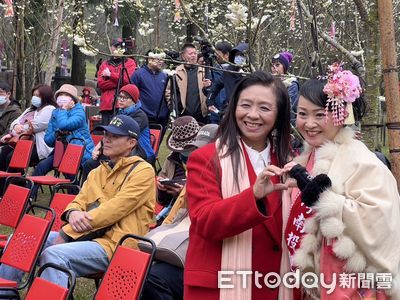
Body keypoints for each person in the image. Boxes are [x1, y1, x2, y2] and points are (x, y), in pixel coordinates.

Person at [0, 115, 156, 292]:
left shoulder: (143, 171)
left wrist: (67, 233)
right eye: (106, 135)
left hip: (117, 244)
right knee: (21, 238)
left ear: (131, 143)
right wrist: (73, 213)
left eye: (115, 136)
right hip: (87, 235)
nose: (106, 140)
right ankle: (5, 295)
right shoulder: (98, 171)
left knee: (54, 255)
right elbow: (78, 202)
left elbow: (113, 210)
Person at [284, 63, 400, 299]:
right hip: (314, 277)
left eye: (320, 115)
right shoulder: (306, 157)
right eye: (302, 114)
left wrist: (328, 201)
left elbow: (380, 219)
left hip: (350, 279)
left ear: (341, 114)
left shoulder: (362, 160)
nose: (309, 123)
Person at [185, 71, 292, 299]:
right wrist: (252, 197)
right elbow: (205, 220)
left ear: (279, 114)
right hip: (222, 287)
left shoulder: (290, 164)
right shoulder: (206, 158)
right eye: (245, 105)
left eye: (264, 108)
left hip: (275, 283)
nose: (253, 115)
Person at [141, 123, 218, 300]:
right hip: (178, 241)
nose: (195, 156)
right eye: (194, 150)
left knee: (152, 277)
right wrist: (162, 189)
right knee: (142, 271)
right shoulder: (179, 164)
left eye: (205, 150)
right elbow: (172, 215)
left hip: (204, 257)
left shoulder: (228, 180)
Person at [30, 84, 94, 199]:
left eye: (66, 95)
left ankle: (74, 198)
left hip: (79, 151)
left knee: (69, 172)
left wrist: (63, 110)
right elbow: (48, 140)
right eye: (60, 95)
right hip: (61, 151)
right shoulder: (55, 113)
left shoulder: (79, 112)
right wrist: (56, 134)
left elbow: (64, 125)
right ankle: (29, 196)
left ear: (72, 99)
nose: (62, 97)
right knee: (41, 166)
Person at [81, 83, 154, 183]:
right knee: (89, 164)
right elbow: (110, 133)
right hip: (119, 150)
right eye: (120, 96)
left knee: (109, 166)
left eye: (125, 97)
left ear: (134, 100)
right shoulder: (119, 113)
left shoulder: (140, 115)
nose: (121, 99)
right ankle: (86, 194)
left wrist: (100, 147)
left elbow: (123, 135)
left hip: (139, 153)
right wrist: (98, 148)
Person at [155, 116, 201, 224]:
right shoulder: (171, 159)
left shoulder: (207, 161)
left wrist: (185, 193)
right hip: (171, 213)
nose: (184, 152)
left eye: (189, 149)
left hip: (192, 217)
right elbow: (162, 201)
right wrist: (161, 188)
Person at [0, 84, 56, 171]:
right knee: (4, 153)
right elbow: (14, 122)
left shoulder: (49, 109)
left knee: (13, 158)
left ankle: (16, 182)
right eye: (34, 95)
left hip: (38, 145)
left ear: (45, 96)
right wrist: (16, 126)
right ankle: (3, 183)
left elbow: (35, 126)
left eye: (38, 96)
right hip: (24, 141)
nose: (34, 98)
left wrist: (17, 129)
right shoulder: (30, 109)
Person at [131, 49, 171, 139]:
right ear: (149, 59)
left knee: (156, 144)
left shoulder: (165, 76)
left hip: (161, 117)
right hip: (144, 116)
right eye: (158, 59)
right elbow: (132, 95)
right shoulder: (138, 74)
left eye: (162, 59)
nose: (161, 62)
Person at [97, 38, 137, 125]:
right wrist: (119, 81)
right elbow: (101, 84)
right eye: (115, 46)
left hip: (123, 105)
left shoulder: (130, 63)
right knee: (106, 133)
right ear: (111, 47)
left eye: (120, 47)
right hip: (107, 106)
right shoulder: (104, 64)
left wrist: (110, 75)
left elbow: (128, 81)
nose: (117, 49)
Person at [206, 43, 248, 119]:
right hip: (229, 111)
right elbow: (216, 86)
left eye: (241, 55)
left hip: (246, 111)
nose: (239, 58)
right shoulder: (229, 71)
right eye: (236, 55)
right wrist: (210, 101)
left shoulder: (251, 74)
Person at [175, 43, 210, 124]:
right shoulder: (177, 72)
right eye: (190, 54)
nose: (193, 56)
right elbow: (169, 91)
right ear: (183, 56)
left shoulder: (203, 71)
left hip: (201, 114)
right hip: (183, 113)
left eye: (195, 53)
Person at [271, 51, 299, 125]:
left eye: (277, 65)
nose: (274, 68)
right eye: (272, 65)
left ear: (284, 67)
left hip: (286, 122)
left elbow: (289, 107)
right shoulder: (269, 82)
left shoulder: (291, 84)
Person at [208, 41, 232, 124]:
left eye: (218, 54)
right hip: (215, 112)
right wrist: (206, 87)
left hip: (229, 113)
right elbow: (209, 92)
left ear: (226, 55)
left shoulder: (235, 72)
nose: (216, 56)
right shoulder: (213, 70)